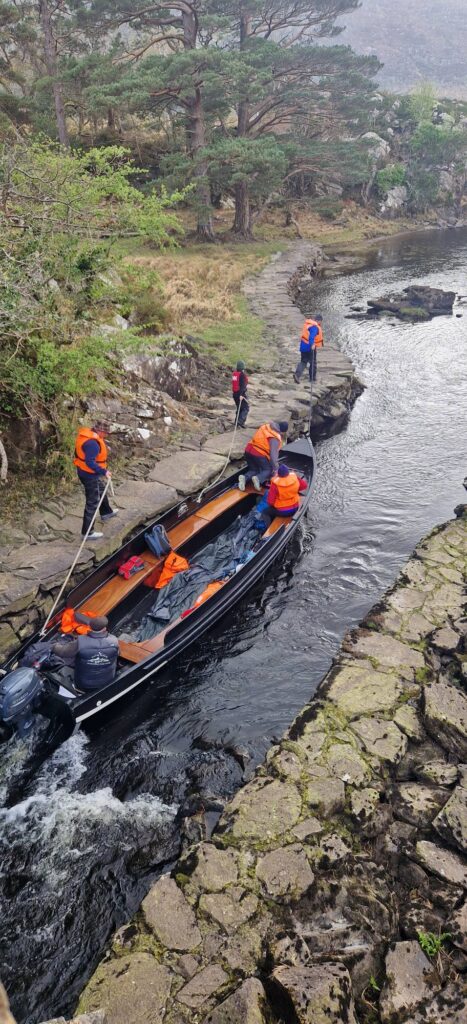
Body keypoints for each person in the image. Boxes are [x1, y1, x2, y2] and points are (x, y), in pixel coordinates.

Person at [74, 421, 118, 541]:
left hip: (85, 471)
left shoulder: (87, 436)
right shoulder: (92, 444)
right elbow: (89, 462)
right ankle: (87, 532)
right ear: (100, 431)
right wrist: (104, 471)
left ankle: (106, 512)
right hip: (88, 475)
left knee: (102, 489)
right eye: (106, 433)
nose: (107, 435)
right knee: (92, 501)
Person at [53, 615, 119, 691]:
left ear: (90, 627)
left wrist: (54, 645)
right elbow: (118, 654)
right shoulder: (114, 641)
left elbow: (62, 652)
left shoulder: (81, 641)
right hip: (107, 682)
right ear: (104, 628)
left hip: (83, 684)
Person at [238, 420, 289, 491]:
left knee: (254, 469)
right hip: (259, 452)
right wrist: (276, 468)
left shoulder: (266, 426)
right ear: (282, 431)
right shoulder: (275, 438)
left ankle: (244, 478)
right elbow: (273, 456)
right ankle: (258, 478)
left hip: (249, 448)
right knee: (268, 469)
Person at [260, 464, 307, 529]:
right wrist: (294, 490)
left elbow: (270, 502)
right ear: (288, 473)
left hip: (283, 512)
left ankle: (269, 530)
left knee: (265, 512)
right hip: (296, 507)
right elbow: (304, 486)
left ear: (279, 474)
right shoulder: (295, 478)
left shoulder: (275, 484)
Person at [293, 315, 323, 384]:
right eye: (320, 322)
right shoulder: (314, 327)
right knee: (313, 363)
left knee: (303, 361)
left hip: (303, 346)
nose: (320, 324)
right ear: (319, 321)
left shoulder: (307, 324)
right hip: (310, 347)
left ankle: (297, 375)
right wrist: (312, 344)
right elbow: (311, 337)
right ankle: (312, 379)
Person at [231, 360, 249, 427]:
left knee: (240, 408)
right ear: (243, 368)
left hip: (235, 394)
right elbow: (243, 386)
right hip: (240, 394)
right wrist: (241, 395)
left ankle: (237, 422)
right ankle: (240, 422)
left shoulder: (235, 374)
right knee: (246, 408)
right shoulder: (242, 375)